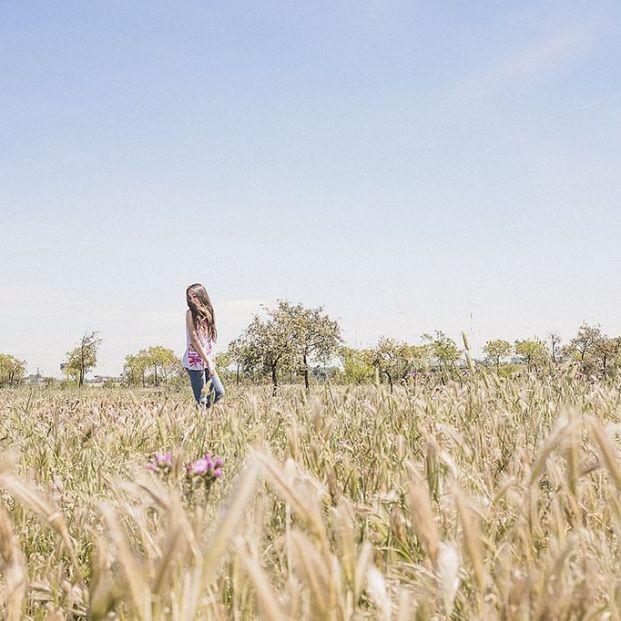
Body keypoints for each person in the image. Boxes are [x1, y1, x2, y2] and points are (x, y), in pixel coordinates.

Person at [181, 283, 225, 407]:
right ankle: (202, 421)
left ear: (202, 295)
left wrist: (211, 357)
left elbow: (208, 338)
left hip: (207, 358)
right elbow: (194, 339)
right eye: (189, 297)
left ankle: (208, 419)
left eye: (194, 296)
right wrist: (207, 361)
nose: (192, 300)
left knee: (219, 392)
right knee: (202, 399)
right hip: (194, 361)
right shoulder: (190, 313)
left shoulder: (208, 312)